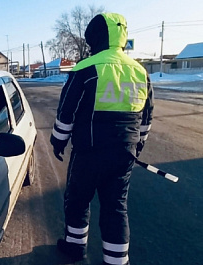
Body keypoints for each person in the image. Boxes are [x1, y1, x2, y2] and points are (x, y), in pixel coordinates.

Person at [50, 13, 154, 265]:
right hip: (124, 153)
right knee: (115, 207)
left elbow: (67, 112)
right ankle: (117, 261)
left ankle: (75, 247)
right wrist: (138, 143)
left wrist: (58, 140)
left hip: (89, 151)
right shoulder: (140, 71)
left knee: (78, 198)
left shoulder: (86, 68)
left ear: (94, 38)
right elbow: (147, 115)